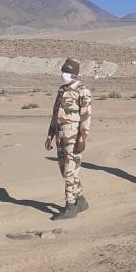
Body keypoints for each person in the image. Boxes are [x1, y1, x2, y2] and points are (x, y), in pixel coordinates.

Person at [45, 57, 92, 219]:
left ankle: (70, 207)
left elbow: (86, 117)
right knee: (65, 172)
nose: (63, 74)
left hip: (73, 135)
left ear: (73, 74)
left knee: (70, 171)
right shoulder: (62, 90)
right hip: (59, 134)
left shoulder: (83, 91)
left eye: (65, 72)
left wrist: (82, 138)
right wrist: (50, 135)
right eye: (62, 71)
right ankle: (81, 200)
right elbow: (55, 114)